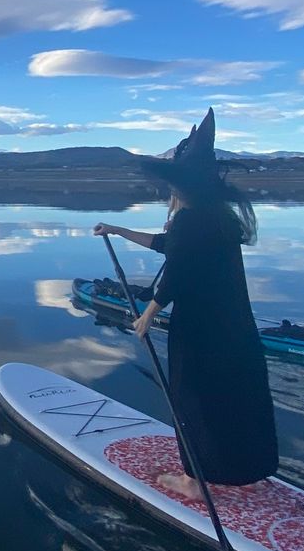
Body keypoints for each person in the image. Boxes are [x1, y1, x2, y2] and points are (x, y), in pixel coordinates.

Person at [93, 108, 278, 499]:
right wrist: (117, 229)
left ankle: (194, 481)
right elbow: (169, 248)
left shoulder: (190, 220)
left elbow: (179, 269)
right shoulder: (217, 219)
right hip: (234, 328)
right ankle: (245, 468)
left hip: (199, 330)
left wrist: (148, 312)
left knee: (192, 398)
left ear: (182, 187)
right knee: (233, 394)